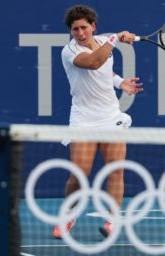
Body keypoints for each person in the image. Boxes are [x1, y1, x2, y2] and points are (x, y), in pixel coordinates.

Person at [53, 4, 143, 239]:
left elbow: (104, 70)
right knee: (79, 174)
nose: (80, 34)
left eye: (84, 27)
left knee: (115, 170)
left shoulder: (104, 42)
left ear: (93, 26)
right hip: (83, 119)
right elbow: (93, 63)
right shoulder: (69, 52)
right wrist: (114, 39)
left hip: (111, 117)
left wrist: (120, 82)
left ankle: (111, 221)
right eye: (75, 30)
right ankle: (68, 215)